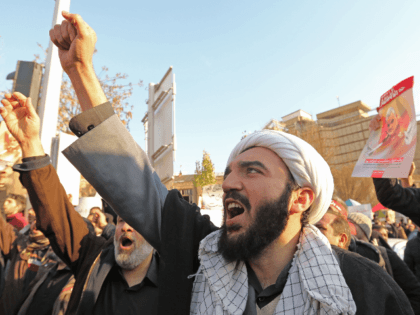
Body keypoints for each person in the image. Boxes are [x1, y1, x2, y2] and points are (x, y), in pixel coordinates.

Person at [30, 11, 415, 314]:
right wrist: (79, 70)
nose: (230, 181)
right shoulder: (198, 255)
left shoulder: (363, 289)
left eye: (252, 170)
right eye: (230, 170)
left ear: (300, 199)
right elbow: (134, 180)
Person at [0, 101, 160, 314]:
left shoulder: (176, 284)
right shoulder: (93, 259)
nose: (126, 227)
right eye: (122, 220)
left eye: (136, 222)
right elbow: (56, 212)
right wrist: (30, 143)